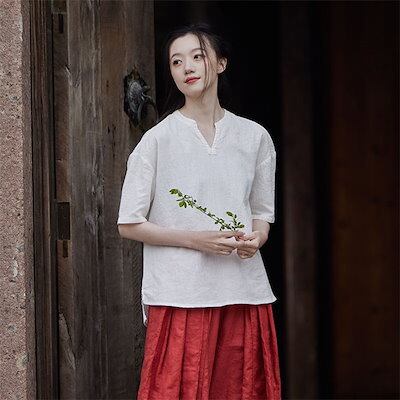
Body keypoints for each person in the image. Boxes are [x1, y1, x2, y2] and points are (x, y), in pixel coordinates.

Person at [117, 22, 281, 400]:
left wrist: (257, 237)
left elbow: (261, 211)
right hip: (181, 293)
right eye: (176, 62)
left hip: (242, 291)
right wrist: (198, 240)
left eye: (197, 56)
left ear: (220, 63)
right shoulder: (157, 140)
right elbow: (129, 223)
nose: (187, 67)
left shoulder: (254, 137)